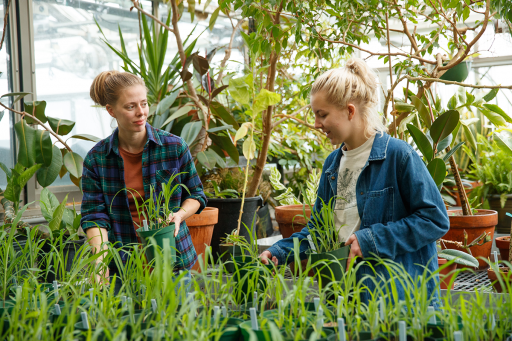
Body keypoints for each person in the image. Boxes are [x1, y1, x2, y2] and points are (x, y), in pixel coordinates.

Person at [260, 58, 449, 304]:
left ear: (350, 111)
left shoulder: (398, 156)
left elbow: (434, 219)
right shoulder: (332, 164)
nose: (316, 124)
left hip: (397, 300)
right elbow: (319, 230)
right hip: (346, 297)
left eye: (322, 114)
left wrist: (371, 239)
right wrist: (278, 252)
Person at [81, 71, 207, 291]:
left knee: (179, 324)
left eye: (144, 104)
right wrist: (100, 263)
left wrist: (179, 215)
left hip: (173, 260)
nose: (141, 113)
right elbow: (95, 217)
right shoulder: (97, 158)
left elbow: (196, 195)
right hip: (124, 265)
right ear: (111, 111)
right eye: (131, 107)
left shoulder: (173, 147)